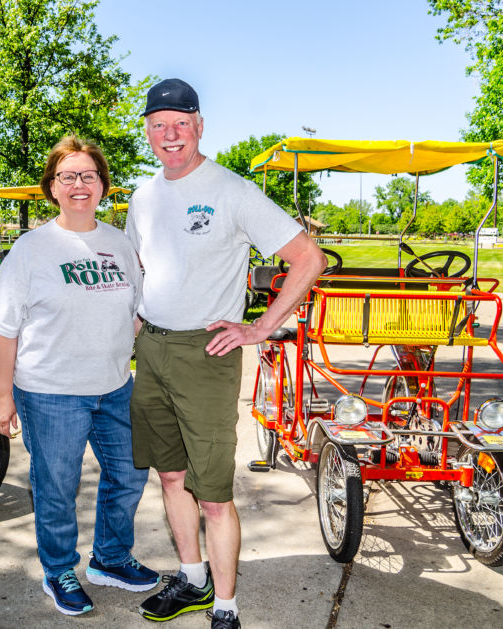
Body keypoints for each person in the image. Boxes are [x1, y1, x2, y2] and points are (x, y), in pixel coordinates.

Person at [126, 79, 327, 629]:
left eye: (180, 123)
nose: (170, 134)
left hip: (206, 352)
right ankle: (193, 580)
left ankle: (225, 607)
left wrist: (261, 327)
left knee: (213, 492)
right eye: (159, 124)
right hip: (153, 350)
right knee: (171, 477)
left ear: (199, 126)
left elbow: (308, 259)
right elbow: (142, 269)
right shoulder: (142, 198)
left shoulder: (232, 191)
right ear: (147, 132)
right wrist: (133, 327)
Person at [0, 135, 159, 617]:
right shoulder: (31, 249)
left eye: (89, 175)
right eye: (68, 176)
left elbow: (135, 312)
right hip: (50, 393)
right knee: (57, 487)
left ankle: (111, 559)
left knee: (130, 474)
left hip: (115, 387)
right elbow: (2, 328)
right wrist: (2, 396)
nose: (80, 184)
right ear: (53, 187)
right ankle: (59, 569)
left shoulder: (120, 244)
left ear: (103, 185)